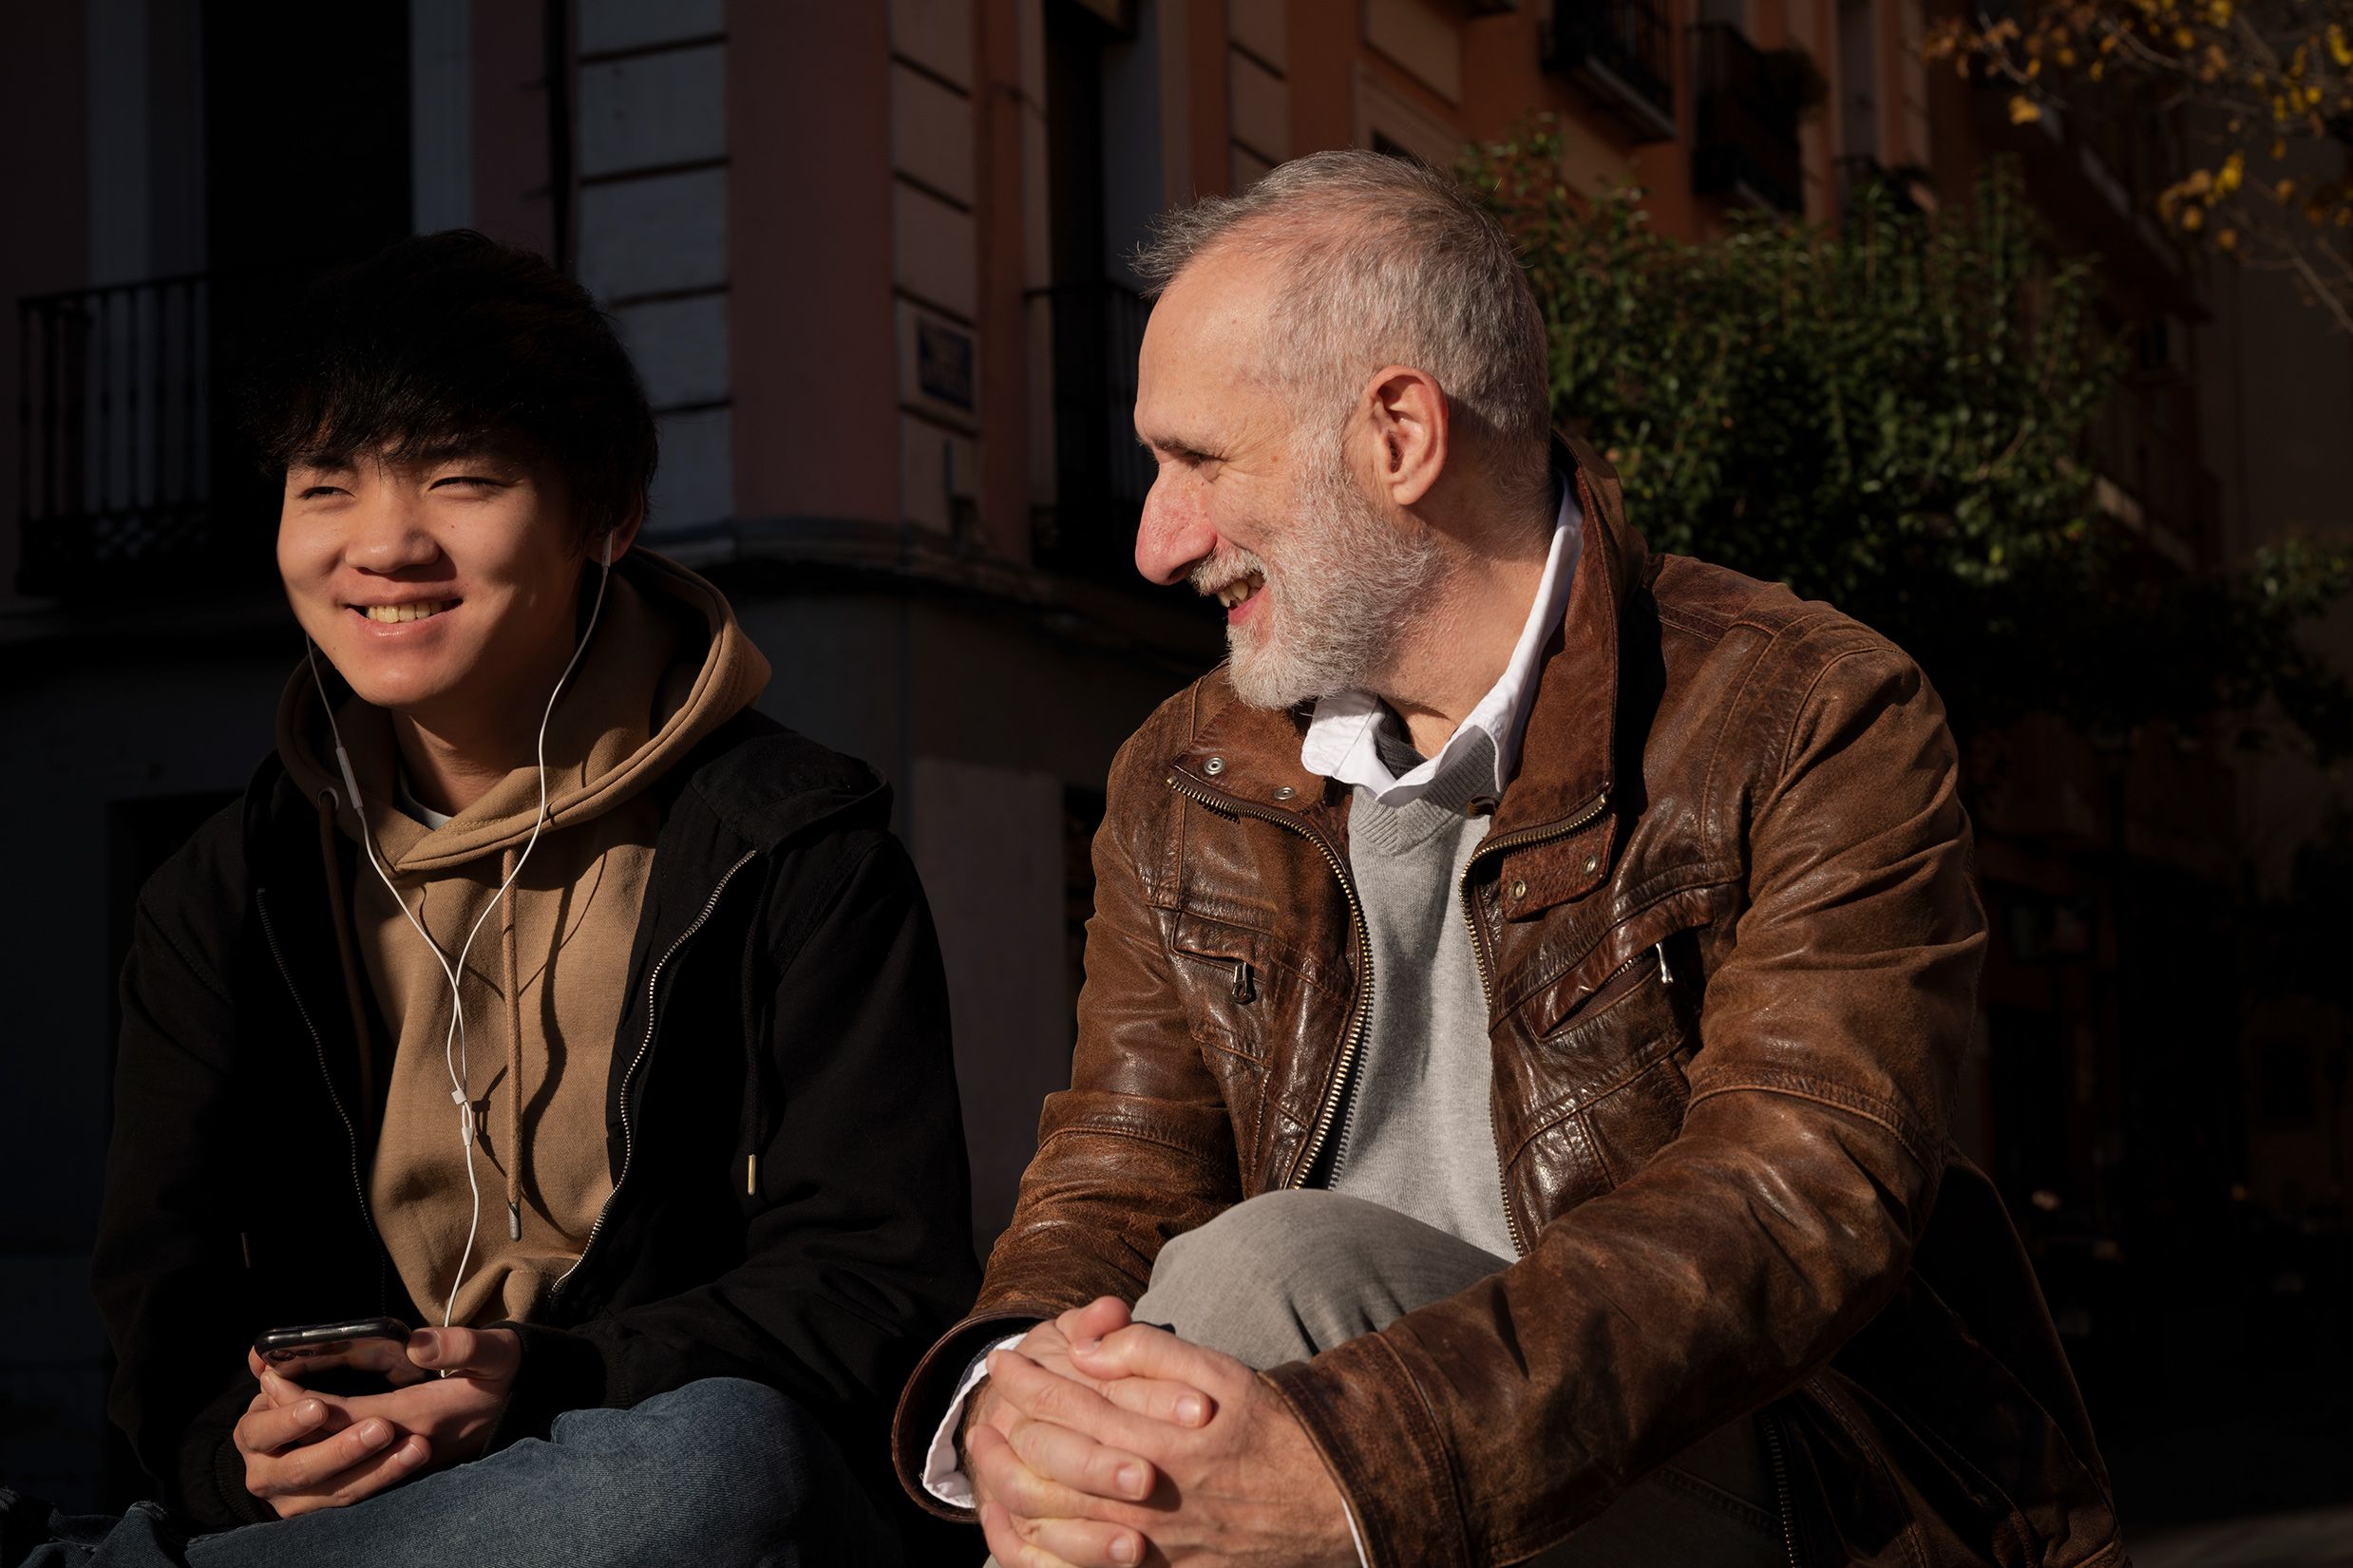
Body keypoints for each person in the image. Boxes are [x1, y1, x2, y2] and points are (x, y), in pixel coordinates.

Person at [887, 152, 2126, 1568]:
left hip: (1750, 1486)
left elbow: (1797, 1198)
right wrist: (1013, 1390)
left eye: (1198, 460)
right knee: (1116, 1382)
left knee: (1269, 1268)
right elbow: (1118, 1175)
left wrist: (1359, 1467)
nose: (1157, 541)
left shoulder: (1808, 713)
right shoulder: (1186, 774)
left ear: (1399, 434)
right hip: (1279, 1462)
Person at [11, 232, 977, 1568]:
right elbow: (165, 1327)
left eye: (463, 482)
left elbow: (878, 1283)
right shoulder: (228, 888)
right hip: (362, 1520)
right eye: (326, 487)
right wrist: (238, 1456)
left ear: (607, 520)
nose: (384, 547)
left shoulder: (788, 845)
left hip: (645, 1481)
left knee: (716, 1469)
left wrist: (545, 1378)